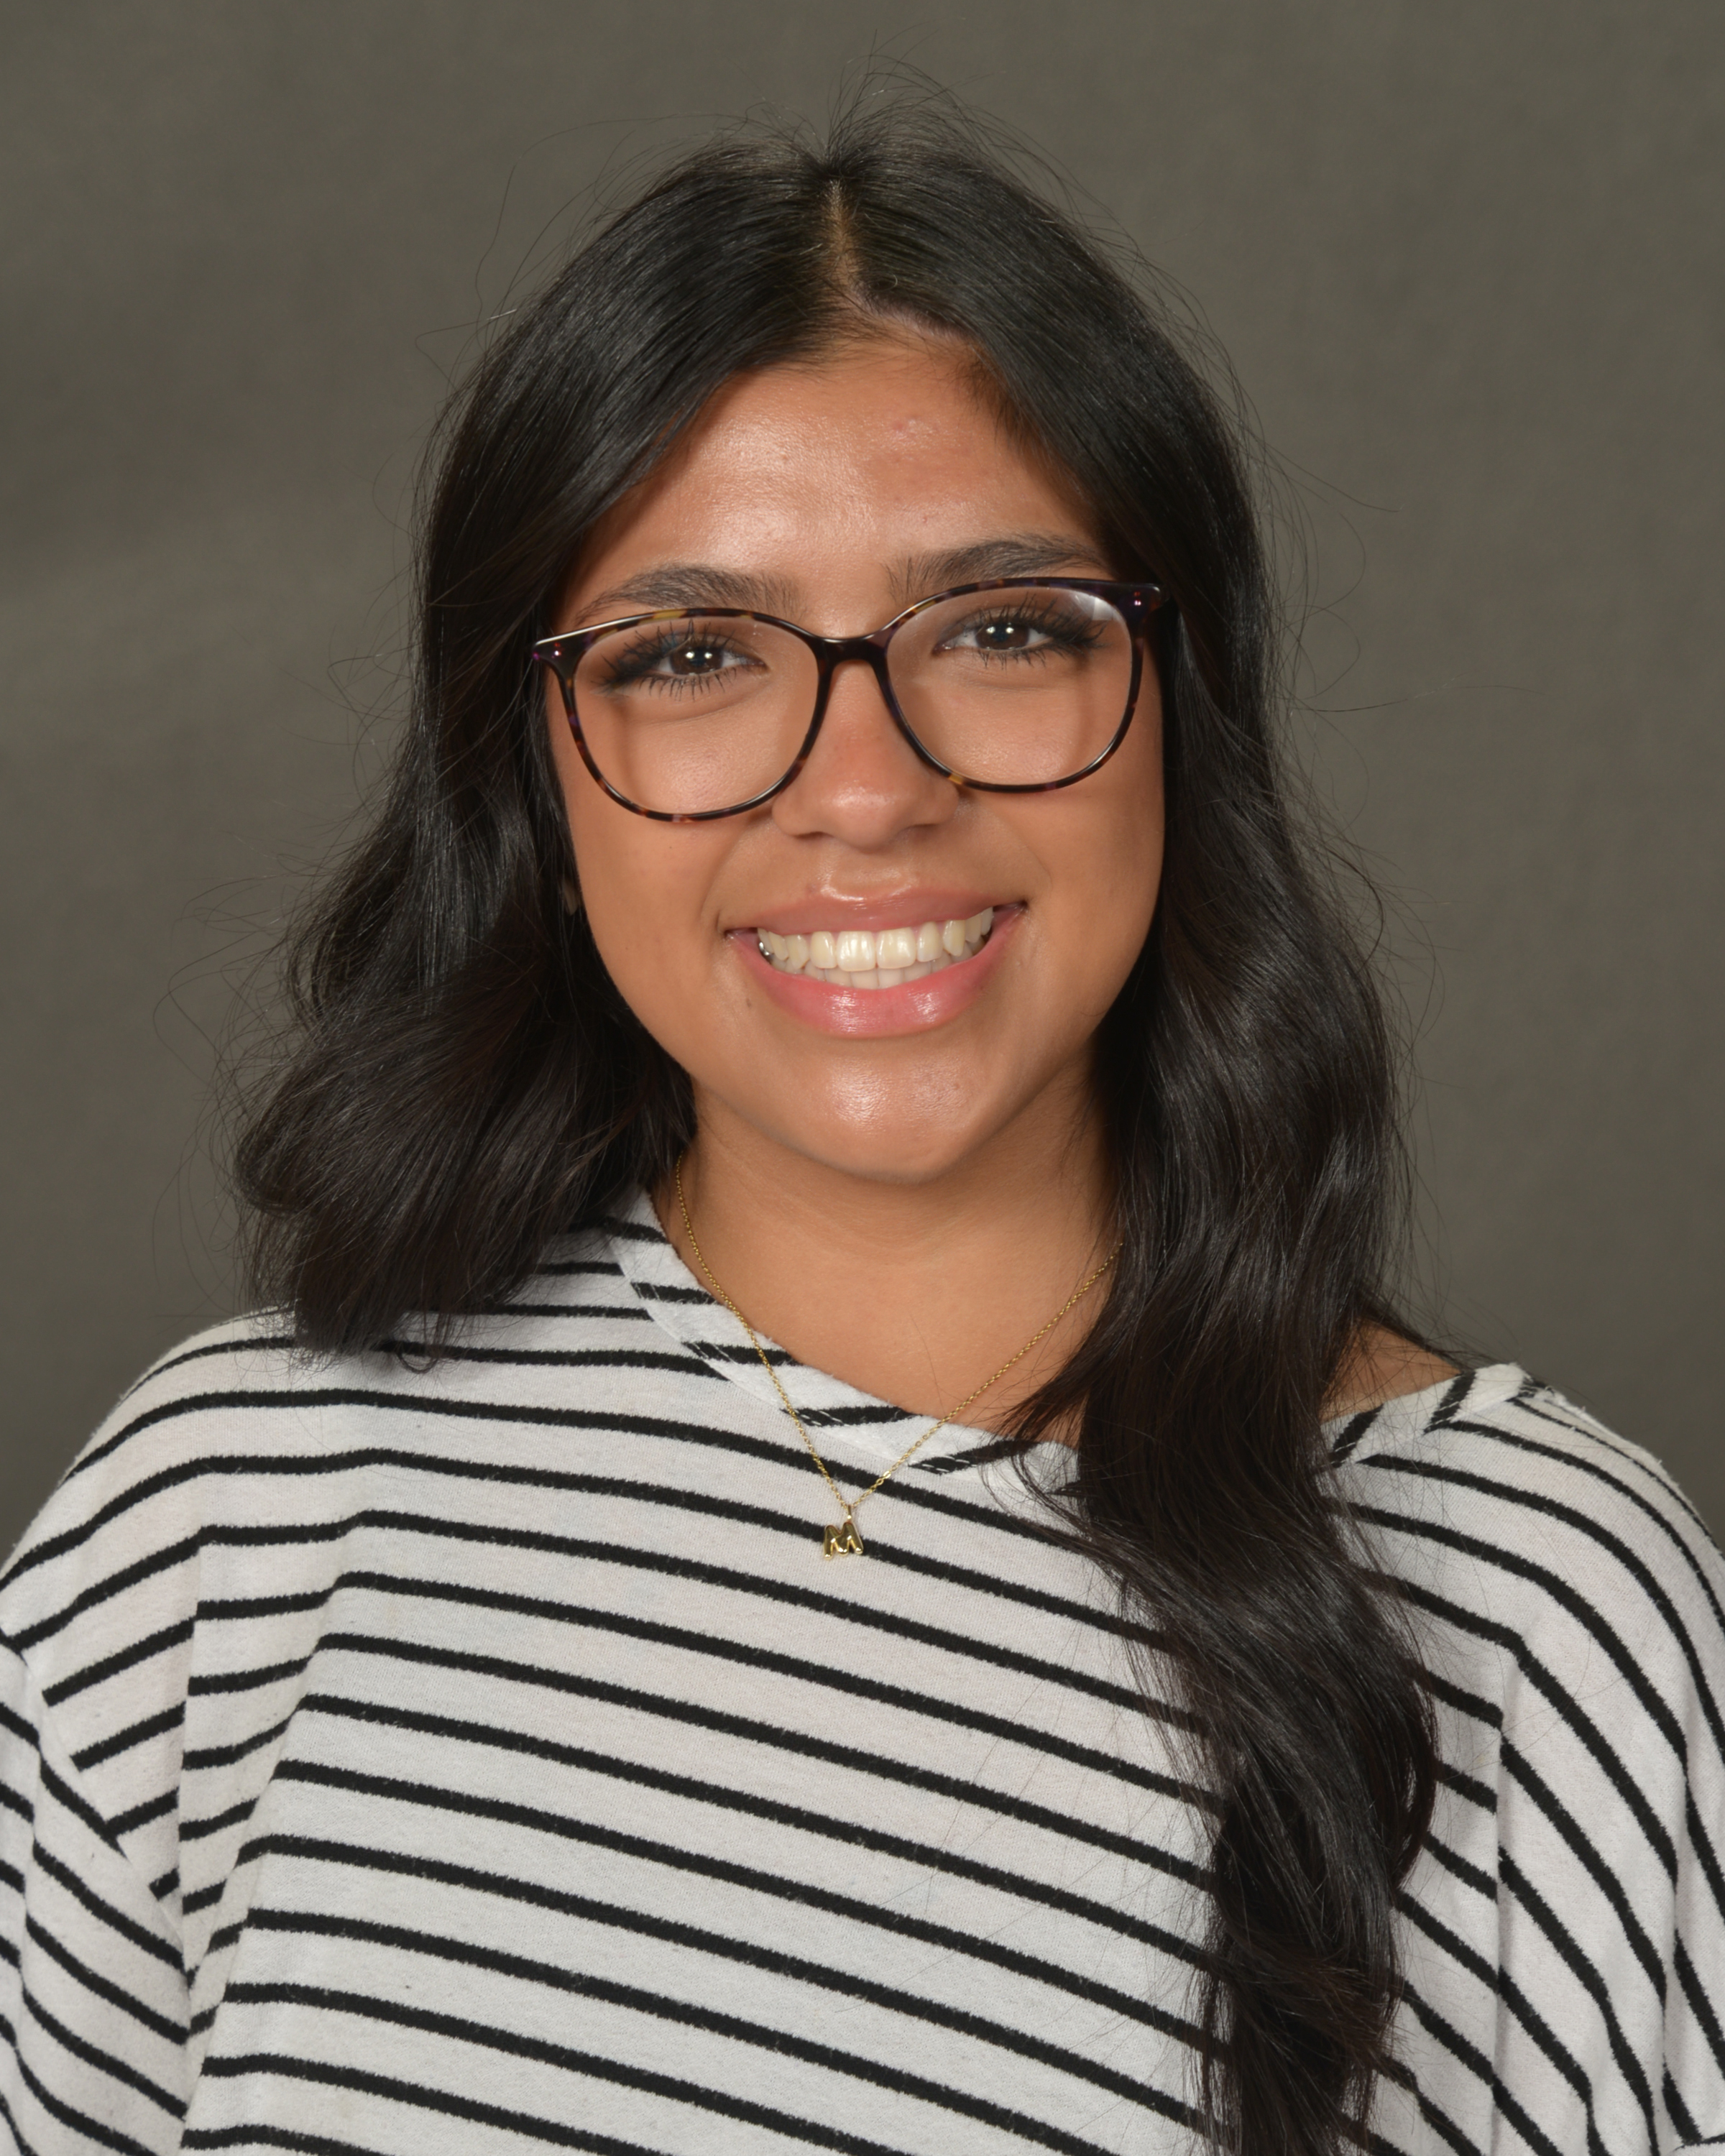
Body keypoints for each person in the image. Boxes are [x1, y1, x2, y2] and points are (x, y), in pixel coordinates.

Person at [1, 95, 1719, 2156]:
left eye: (1002, 631)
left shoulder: (1538, 1612)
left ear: (1181, 713)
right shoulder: (227, 1508)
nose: (867, 790)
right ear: (533, 784)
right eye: (691, 656)